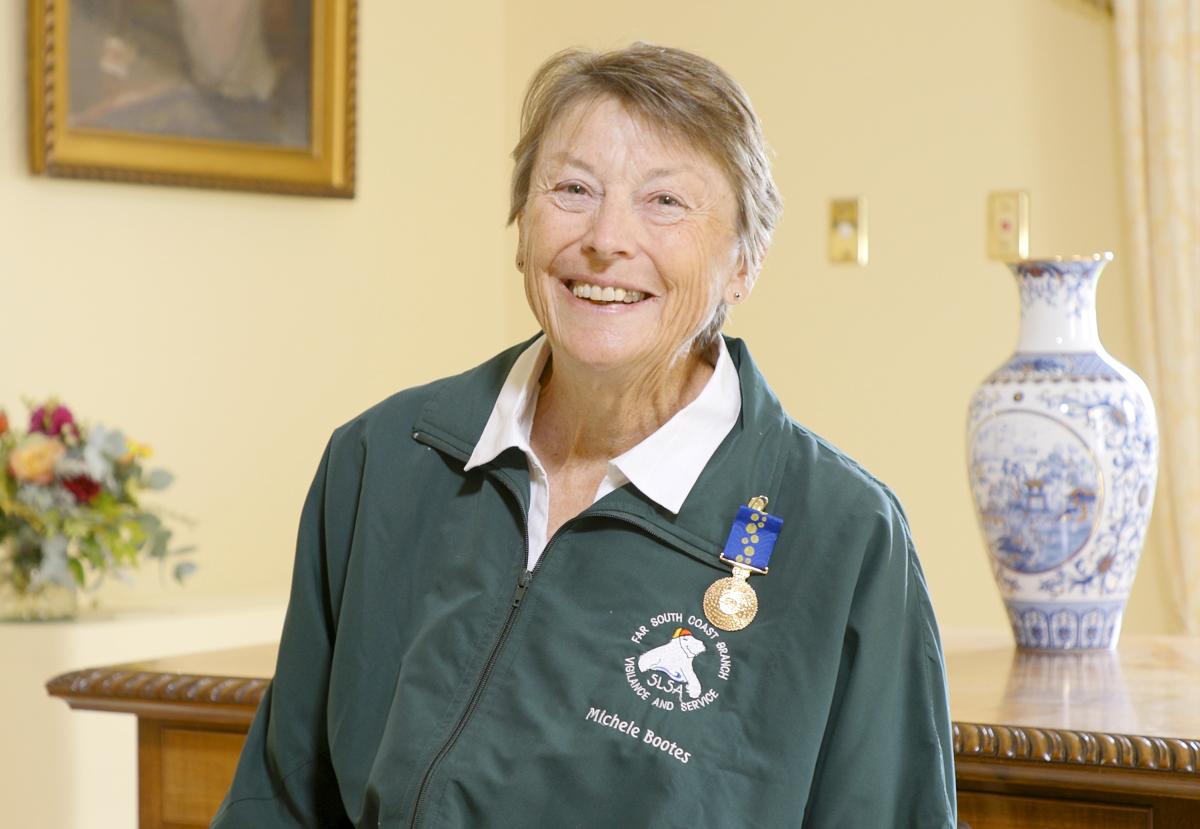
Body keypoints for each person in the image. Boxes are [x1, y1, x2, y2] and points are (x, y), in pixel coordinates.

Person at [210, 43, 957, 828]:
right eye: (572, 189)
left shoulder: (845, 536)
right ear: (522, 225)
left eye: (665, 201)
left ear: (745, 262)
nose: (606, 238)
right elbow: (283, 799)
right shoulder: (382, 459)